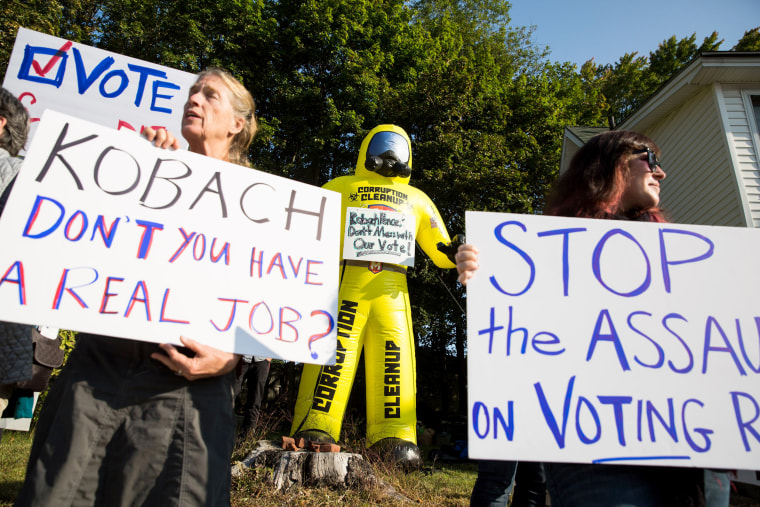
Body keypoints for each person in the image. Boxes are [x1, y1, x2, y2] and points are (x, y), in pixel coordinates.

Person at [15, 68, 257, 507]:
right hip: (98, 373)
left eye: (209, 95)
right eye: (192, 92)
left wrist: (231, 359)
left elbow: (267, 302)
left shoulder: (260, 204)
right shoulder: (145, 166)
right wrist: (138, 169)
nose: (195, 100)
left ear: (236, 123)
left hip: (184, 389)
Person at [456, 130, 731, 507]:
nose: (661, 172)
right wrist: (483, 270)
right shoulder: (547, 254)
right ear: (610, 164)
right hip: (597, 449)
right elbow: (522, 324)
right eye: (649, 157)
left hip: (696, 444)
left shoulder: (680, 255)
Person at [290, 124, 458, 468]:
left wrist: (456, 251)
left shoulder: (416, 199)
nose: (391, 155)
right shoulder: (342, 187)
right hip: (348, 279)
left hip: (391, 290)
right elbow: (304, 221)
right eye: (383, 146)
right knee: (335, 350)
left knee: (393, 354)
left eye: (397, 148)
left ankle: (393, 434)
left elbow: (440, 246)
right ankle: (316, 425)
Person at [233, 355, 271, 439]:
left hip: (262, 360)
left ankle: (245, 440)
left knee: (255, 401)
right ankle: (217, 434)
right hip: (240, 358)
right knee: (229, 397)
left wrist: (268, 358)